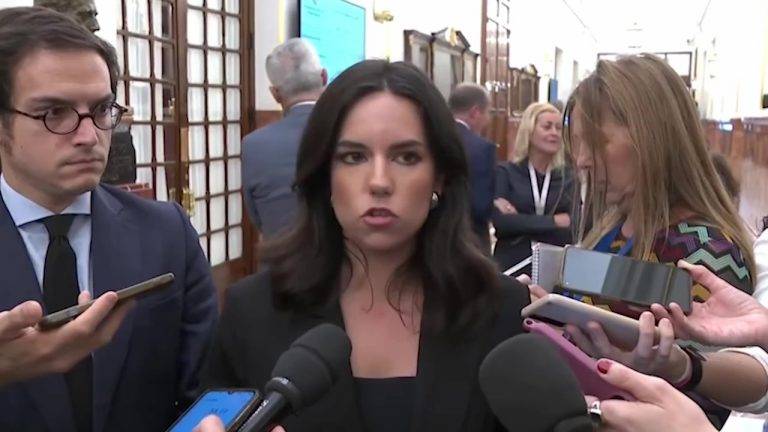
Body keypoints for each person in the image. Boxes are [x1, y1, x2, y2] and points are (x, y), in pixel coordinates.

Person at [202, 60, 530, 432]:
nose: (379, 182)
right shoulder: (253, 312)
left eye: (406, 157)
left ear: (439, 174)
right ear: (325, 173)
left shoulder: (499, 309)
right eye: (353, 157)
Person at [0, 7, 217, 432]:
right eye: (54, 113)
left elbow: (205, 389)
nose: (89, 136)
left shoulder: (166, 233)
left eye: (101, 110)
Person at [563, 54, 756, 427]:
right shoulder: (611, 224)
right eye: (577, 145)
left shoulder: (705, 251)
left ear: (653, 139)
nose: (582, 161)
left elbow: (710, 402)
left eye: (596, 144)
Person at [241, 38, 327, 239]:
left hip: (279, 265)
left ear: (275, 94)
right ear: (324, 77)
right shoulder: (347, 132)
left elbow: (258, 217)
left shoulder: (253, 145)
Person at [492, 102, 574, 275]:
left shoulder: (569, 177)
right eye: (547, 127)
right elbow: (503, 223)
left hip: (555, 267)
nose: (554, 133)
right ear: (529, 131)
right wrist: (554, 221)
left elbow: (574, 225)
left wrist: (521, 221)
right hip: (512, 265)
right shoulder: (506, 172)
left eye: (558, 128)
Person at [448, 83, 497, 251]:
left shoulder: (429, 136)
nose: (488, 120)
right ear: (476, 112)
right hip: (469, 241)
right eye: (488, 112)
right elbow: (480, 206)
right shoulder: (481, 148)